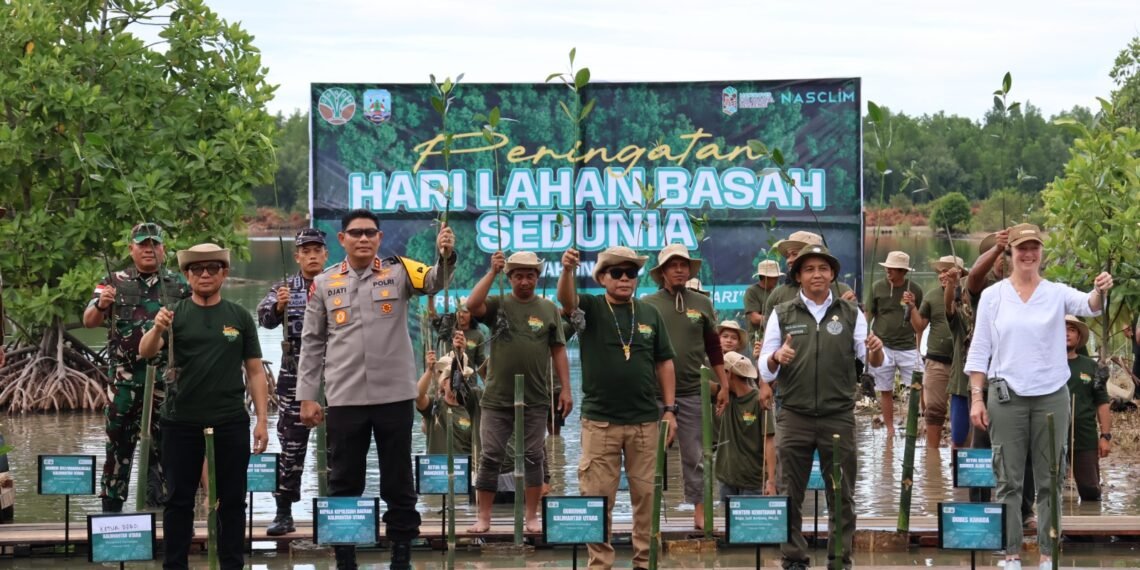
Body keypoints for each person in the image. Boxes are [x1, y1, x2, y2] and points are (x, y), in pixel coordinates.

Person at [296, 209, 456, 570]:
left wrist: (446, 255)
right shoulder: (324, 283)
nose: (364, 238)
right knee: (343, 481)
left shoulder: (399, 272)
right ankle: (345, 556)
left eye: (370, 232)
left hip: (394, 397)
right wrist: (308, 395)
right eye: (356, 233)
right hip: (345, 397)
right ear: (342, 240)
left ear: (380, 238)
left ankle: (402, 553)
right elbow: (312, 343)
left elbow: (435, 281)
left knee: (398, 480)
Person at [966, 223, 1113, 570]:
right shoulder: (993, 296)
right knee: (1008, 479)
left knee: (1050, 478)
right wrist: (976, 397)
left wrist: (1100, 290)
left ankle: (1049, 555)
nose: (1028, 254)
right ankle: (1011, 554)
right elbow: (979, 350)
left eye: (1034, 248)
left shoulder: (1056, 292)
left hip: (1051, 398)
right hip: (1006, 398)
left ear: (1041, 253)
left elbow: (1090, 305)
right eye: (1021, 248)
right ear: (1011, 253)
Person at [138, 243, 269, 570]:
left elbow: (255, 370)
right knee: (178, 501)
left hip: (230, 421)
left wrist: (262, 421)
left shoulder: (239, 316)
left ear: (224, 273)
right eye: (198, 269)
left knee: (233, 502)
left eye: (213, 268)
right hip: (180, 421)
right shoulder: (174, 314)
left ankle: (232, 564)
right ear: (187, 275)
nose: (206, 274)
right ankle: (175, 565)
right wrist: (157, 328)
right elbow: (145, 352)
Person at [758, 244, 884, 570]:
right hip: (793, 415)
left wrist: (876, 350)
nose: (817, 274)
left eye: (823, 269)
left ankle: (839, 559)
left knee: (842, 495)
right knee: (789, 492)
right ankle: (794, 558)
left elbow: (871, 361)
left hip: (838, 416)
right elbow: (764, 369)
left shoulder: (851, 313)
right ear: (798, 276)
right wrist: (776, 358)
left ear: (832, 275)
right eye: (810, 269)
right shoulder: (782, 313)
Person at [557, 245, 677, 570]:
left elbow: (664, 362)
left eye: (631, 273)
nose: (625, 278)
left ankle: (644, 562)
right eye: (617, 273)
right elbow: (567, 302)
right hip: (600, 423)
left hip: (645, 423)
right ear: (602, 278)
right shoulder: (591, 308)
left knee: (647, 499)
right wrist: (567, 270)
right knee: (597, 499)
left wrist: (670, 409)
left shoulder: (650, 313)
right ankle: (600, 563)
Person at [82, 222, 192, 512]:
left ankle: (163, 514)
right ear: (131, 249)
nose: (149, 249)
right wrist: (101, 304)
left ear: (163, 250)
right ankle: (111, 512)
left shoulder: (179, 285)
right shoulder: (113, 281)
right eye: (142, 244)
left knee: (166, 449)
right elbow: (89, 320)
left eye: (154, 244)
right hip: (124, 382)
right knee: (118, 446)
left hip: (164, 383)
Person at [464, 250, 571, 534]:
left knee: (534, 455)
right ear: (510, 277)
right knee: (491, 456)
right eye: (519, 276)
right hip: (497, 397)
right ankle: (483, 517)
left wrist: (566, 391)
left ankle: (531, 516)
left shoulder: (548, 309)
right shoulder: (499, 304)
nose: (525, 281)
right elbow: (472, 305)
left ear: (537, 277)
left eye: (530, 275)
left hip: (536, 398)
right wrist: (491, 272)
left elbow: (558, 351)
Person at [643, 244, 729, 530]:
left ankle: (701, 512)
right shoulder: (647, 304)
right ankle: (649, 515)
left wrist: (724, 383)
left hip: (693, 389)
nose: (679, 269)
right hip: (654, 393)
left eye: (683, 265)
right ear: (663, 273)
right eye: (673, 265)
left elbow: (714, 348)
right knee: (650, 455)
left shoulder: (702, 303)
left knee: (697, 455)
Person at [255, 228, 329, 536]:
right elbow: (264, 318)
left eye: (317, 250)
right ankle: (283, 511)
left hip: (336, 377)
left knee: (340, 447)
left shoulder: (339, 283)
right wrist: (279, 306)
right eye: (305, 251)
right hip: (293, 378)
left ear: (326, 254)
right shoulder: (285, 287)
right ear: (297, 256)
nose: (311, 255)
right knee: (291, 447)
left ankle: (335, 509)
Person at [866, 250, 923, 439]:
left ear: (903, 271)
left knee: (919, 386)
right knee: (885, 389)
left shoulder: (915, 289)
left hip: (908, 346)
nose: (888, 271)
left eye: (892, 269)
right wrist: (866, 337)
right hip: (883, 346)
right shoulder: (876, 287)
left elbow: (921, 322)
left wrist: (912, 305)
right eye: (887, 268)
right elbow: (869, 314)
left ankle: (917, 424)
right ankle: (890, 429)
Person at [910, 256, 962, 448]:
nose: (943, 275)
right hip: (936, 359)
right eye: (941, 272)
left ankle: (960, 457)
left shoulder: (966, 294)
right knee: (933, 410)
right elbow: (919, 326)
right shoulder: (931, 296)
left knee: (962, 410)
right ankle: (931, 456)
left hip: (962, 361)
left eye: (948, 271)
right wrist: (911, 307)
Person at [1064, 315, 1111, 502]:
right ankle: (1054, 529)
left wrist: (1105, 436)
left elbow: (1102, 403)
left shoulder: (1091, 366)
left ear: (1078, 337)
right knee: (1048, 487)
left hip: (1084, 435)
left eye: (1072, 329)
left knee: (1090, 489)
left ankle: (1090, 530)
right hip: (1049, 436)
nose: (1066, 333)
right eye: (1062, 328)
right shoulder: (1045, 364)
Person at [763, 231, 856, 317]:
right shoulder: (778, 295)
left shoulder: (842, 291)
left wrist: (850, 309)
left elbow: (857, 327)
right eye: (788, 256)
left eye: (795, 254)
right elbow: (770, 332)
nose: (789, 260)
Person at [714, 351, 766, 499]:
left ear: (728, 373)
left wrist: (770, 480)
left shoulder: (759, 400)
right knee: (728, 521)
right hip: (727, 476)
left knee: (750, 521)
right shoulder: (724, 396)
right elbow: (700, 384)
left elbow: (769, 441)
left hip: (752, 479)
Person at [415, 342, 476, 456]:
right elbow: (418, 396)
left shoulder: (472, 408)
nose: (457, 383)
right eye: (451, 378)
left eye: (462, 379)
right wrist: (429, 370)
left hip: (465, 470)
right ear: (444, 383)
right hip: (436, 470)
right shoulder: (435, 404)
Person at [938, 258, 973, 452]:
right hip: (961, 385)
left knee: (984, 440)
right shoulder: (960, 320)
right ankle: (956, 481)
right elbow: (949, 305)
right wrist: (952, 284)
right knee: (958, 439)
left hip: (986, 388)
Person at [744, 260, 782, 336]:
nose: (777, 279)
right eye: (773, 277)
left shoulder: (777, 292)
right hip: (758, 338)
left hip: (775, 335)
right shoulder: (751, 291)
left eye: (777, 276)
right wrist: (778, 320)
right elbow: (754, 318)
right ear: (765, 277)